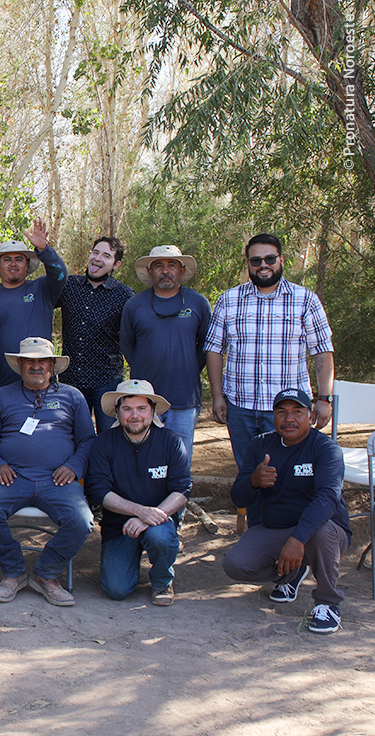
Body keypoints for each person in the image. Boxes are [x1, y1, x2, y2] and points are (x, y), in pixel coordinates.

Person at [205, 233, 335, 527]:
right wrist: (217, 396)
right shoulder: (229, 299)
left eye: (269, 259)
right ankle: (258, 533)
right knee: (251, 474)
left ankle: (295, 535)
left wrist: (324, 398)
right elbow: (214, 350)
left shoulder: (305, 299)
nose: (263, 265)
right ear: (249, 264)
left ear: (281, 260)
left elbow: (323, 351)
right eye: (256, 260)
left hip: (289, 411)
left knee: (292, 473)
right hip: (240, 408)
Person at [0, 337, 96, 607]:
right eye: (30, 360)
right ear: (20, 364)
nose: (36, 366)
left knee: (82, 520)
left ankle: (46, 574)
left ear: (52, 365)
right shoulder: (2, 397)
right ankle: (14, 572)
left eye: (42, 360)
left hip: (58, 480)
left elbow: (88, 440)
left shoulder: (72, 396)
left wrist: (74, 467)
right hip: (12, 478)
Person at [223, 389, 351, 634]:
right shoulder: (260, 445)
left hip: (324, 532)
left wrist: (297, 539)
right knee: (236, 564)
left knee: (321, 531)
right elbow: (237, 497)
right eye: (282, 412)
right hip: (277, 528)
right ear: (274, 417)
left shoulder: (325, 449)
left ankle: (328, 603)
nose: (289, 418)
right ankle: (292, 573)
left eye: (297, 412)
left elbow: (327, 499)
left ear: (311, 416)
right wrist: (254, 481)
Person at [85, 380, 191, 605]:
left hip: (158, 521)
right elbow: (100, 491)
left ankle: (163, 581)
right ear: (117, 412)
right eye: (127, 409)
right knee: (116, 590)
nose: (135, 415)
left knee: (160, 537)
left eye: (142, 408)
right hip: (118, 526)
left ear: (152, 411)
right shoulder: (103, 443)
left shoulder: (170, 441)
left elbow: (181, 489)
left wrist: (148, 518)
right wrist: (139, 511)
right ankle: (129, 558)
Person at [120, 246, 210, 463]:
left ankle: (179, 497)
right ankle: (145, 497)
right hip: (144, 399)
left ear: (181, 270)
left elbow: (206, 346)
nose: (165, 271)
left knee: (180, 456)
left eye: (172, 265)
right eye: (159, 265)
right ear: (150, 271)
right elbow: (127, 344)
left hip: (184, 397)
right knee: (145, 455)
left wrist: (186, 367)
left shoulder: (198, 303)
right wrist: (145, 368)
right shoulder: (134, 304)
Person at [57, 237, 134, 433]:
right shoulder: (69, 286)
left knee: (109, 439)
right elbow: (40, 304)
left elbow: (136, 335)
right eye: (95, 252)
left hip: (106, 381)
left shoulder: (125, 295)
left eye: (106, 256)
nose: (98, 258)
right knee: (71, 437)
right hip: (71, 380)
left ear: (116, 264)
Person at [0, 220, 67, 391]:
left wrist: (44, 250)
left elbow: (60, 274)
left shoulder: (42, 289)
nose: (13, 264)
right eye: (7, 259)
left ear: (27, 264)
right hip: (2, 382)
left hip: (41, 379)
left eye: (19, 259)